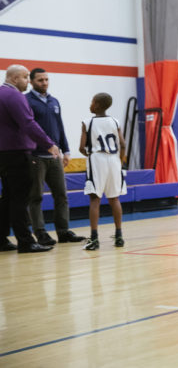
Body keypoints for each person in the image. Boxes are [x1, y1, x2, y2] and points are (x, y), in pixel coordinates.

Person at [0, 65, 59, 253]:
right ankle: (26, 241)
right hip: (17, 153)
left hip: (3, 154)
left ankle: (1, 240)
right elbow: (28, 123)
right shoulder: (15, 96)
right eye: (26, 77)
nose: (28, 81)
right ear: (15, 78)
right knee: (20, 198)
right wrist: (49, 143)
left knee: (7, 198)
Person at [25, 68, 85, 245]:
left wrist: (65, 151)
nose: (44, 83)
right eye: (40, 80)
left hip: (55, 157)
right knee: (36, 196)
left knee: (61, 195)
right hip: (36, 156)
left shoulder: (54, 101)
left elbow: (60, 127)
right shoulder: (25, 101)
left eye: (46, 79)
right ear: (31, 81)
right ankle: (41, 232)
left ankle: (63, 231)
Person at [79, 93, 126, 250]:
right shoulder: (115, 121)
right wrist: (120, 160)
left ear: (97, 105)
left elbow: (81, 147)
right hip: (114, 160)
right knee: (114, 199)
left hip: (97, 159)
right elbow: (123, 144)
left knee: (95, 199)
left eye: (92, 102)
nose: (90, 104)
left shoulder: (87, 122)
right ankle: (119, 236)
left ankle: (94, 238)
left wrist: (90, 155)